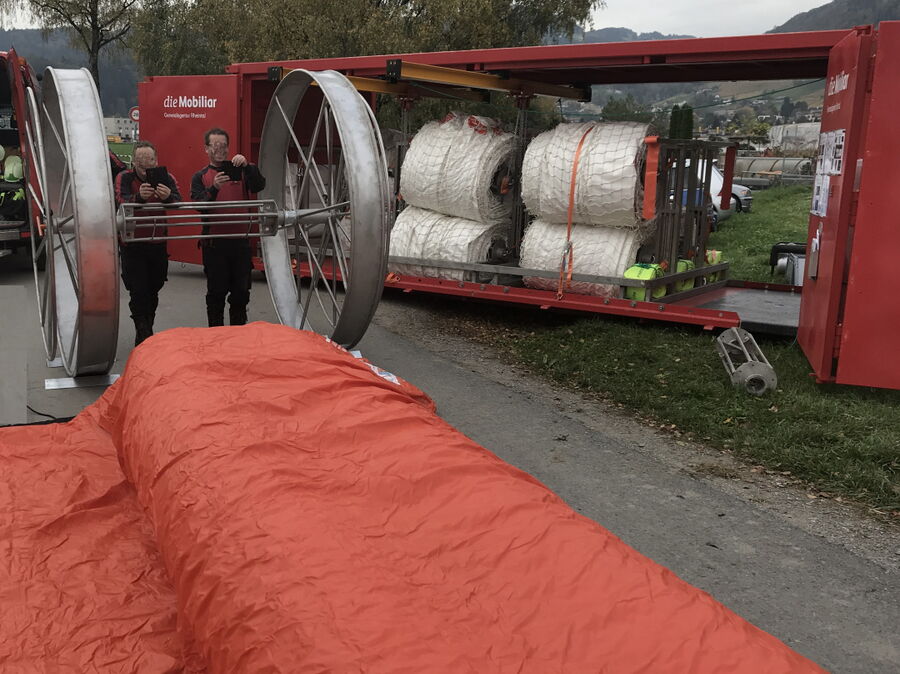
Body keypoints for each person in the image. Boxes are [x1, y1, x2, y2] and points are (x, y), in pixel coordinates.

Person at [190, 128, 265, 327]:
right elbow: (198, 205)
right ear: (206, 148)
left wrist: (248, 166)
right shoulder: (200, 176)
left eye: (223, 146)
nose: (220, 150)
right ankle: (215, 333)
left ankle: (237, 334)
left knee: (241, 292)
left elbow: (259, 185)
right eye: (215, 145)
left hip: (241, 243)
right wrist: (214, 188)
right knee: (216, 292)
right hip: (215, 244)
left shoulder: (241, 170)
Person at [114, 140, 181, 346]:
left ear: (156, 160)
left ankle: (147, 328)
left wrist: (168, 197)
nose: (145, 162)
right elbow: (120, 201)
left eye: (149, 158)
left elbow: (178, 202)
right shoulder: (124, 177)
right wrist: (138, 198)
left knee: (155, 286)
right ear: (133, 161)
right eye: (140, 158)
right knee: (138, 290)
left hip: (158, 242)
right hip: (132, 244)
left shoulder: (166, 177)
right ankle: (143, 335)